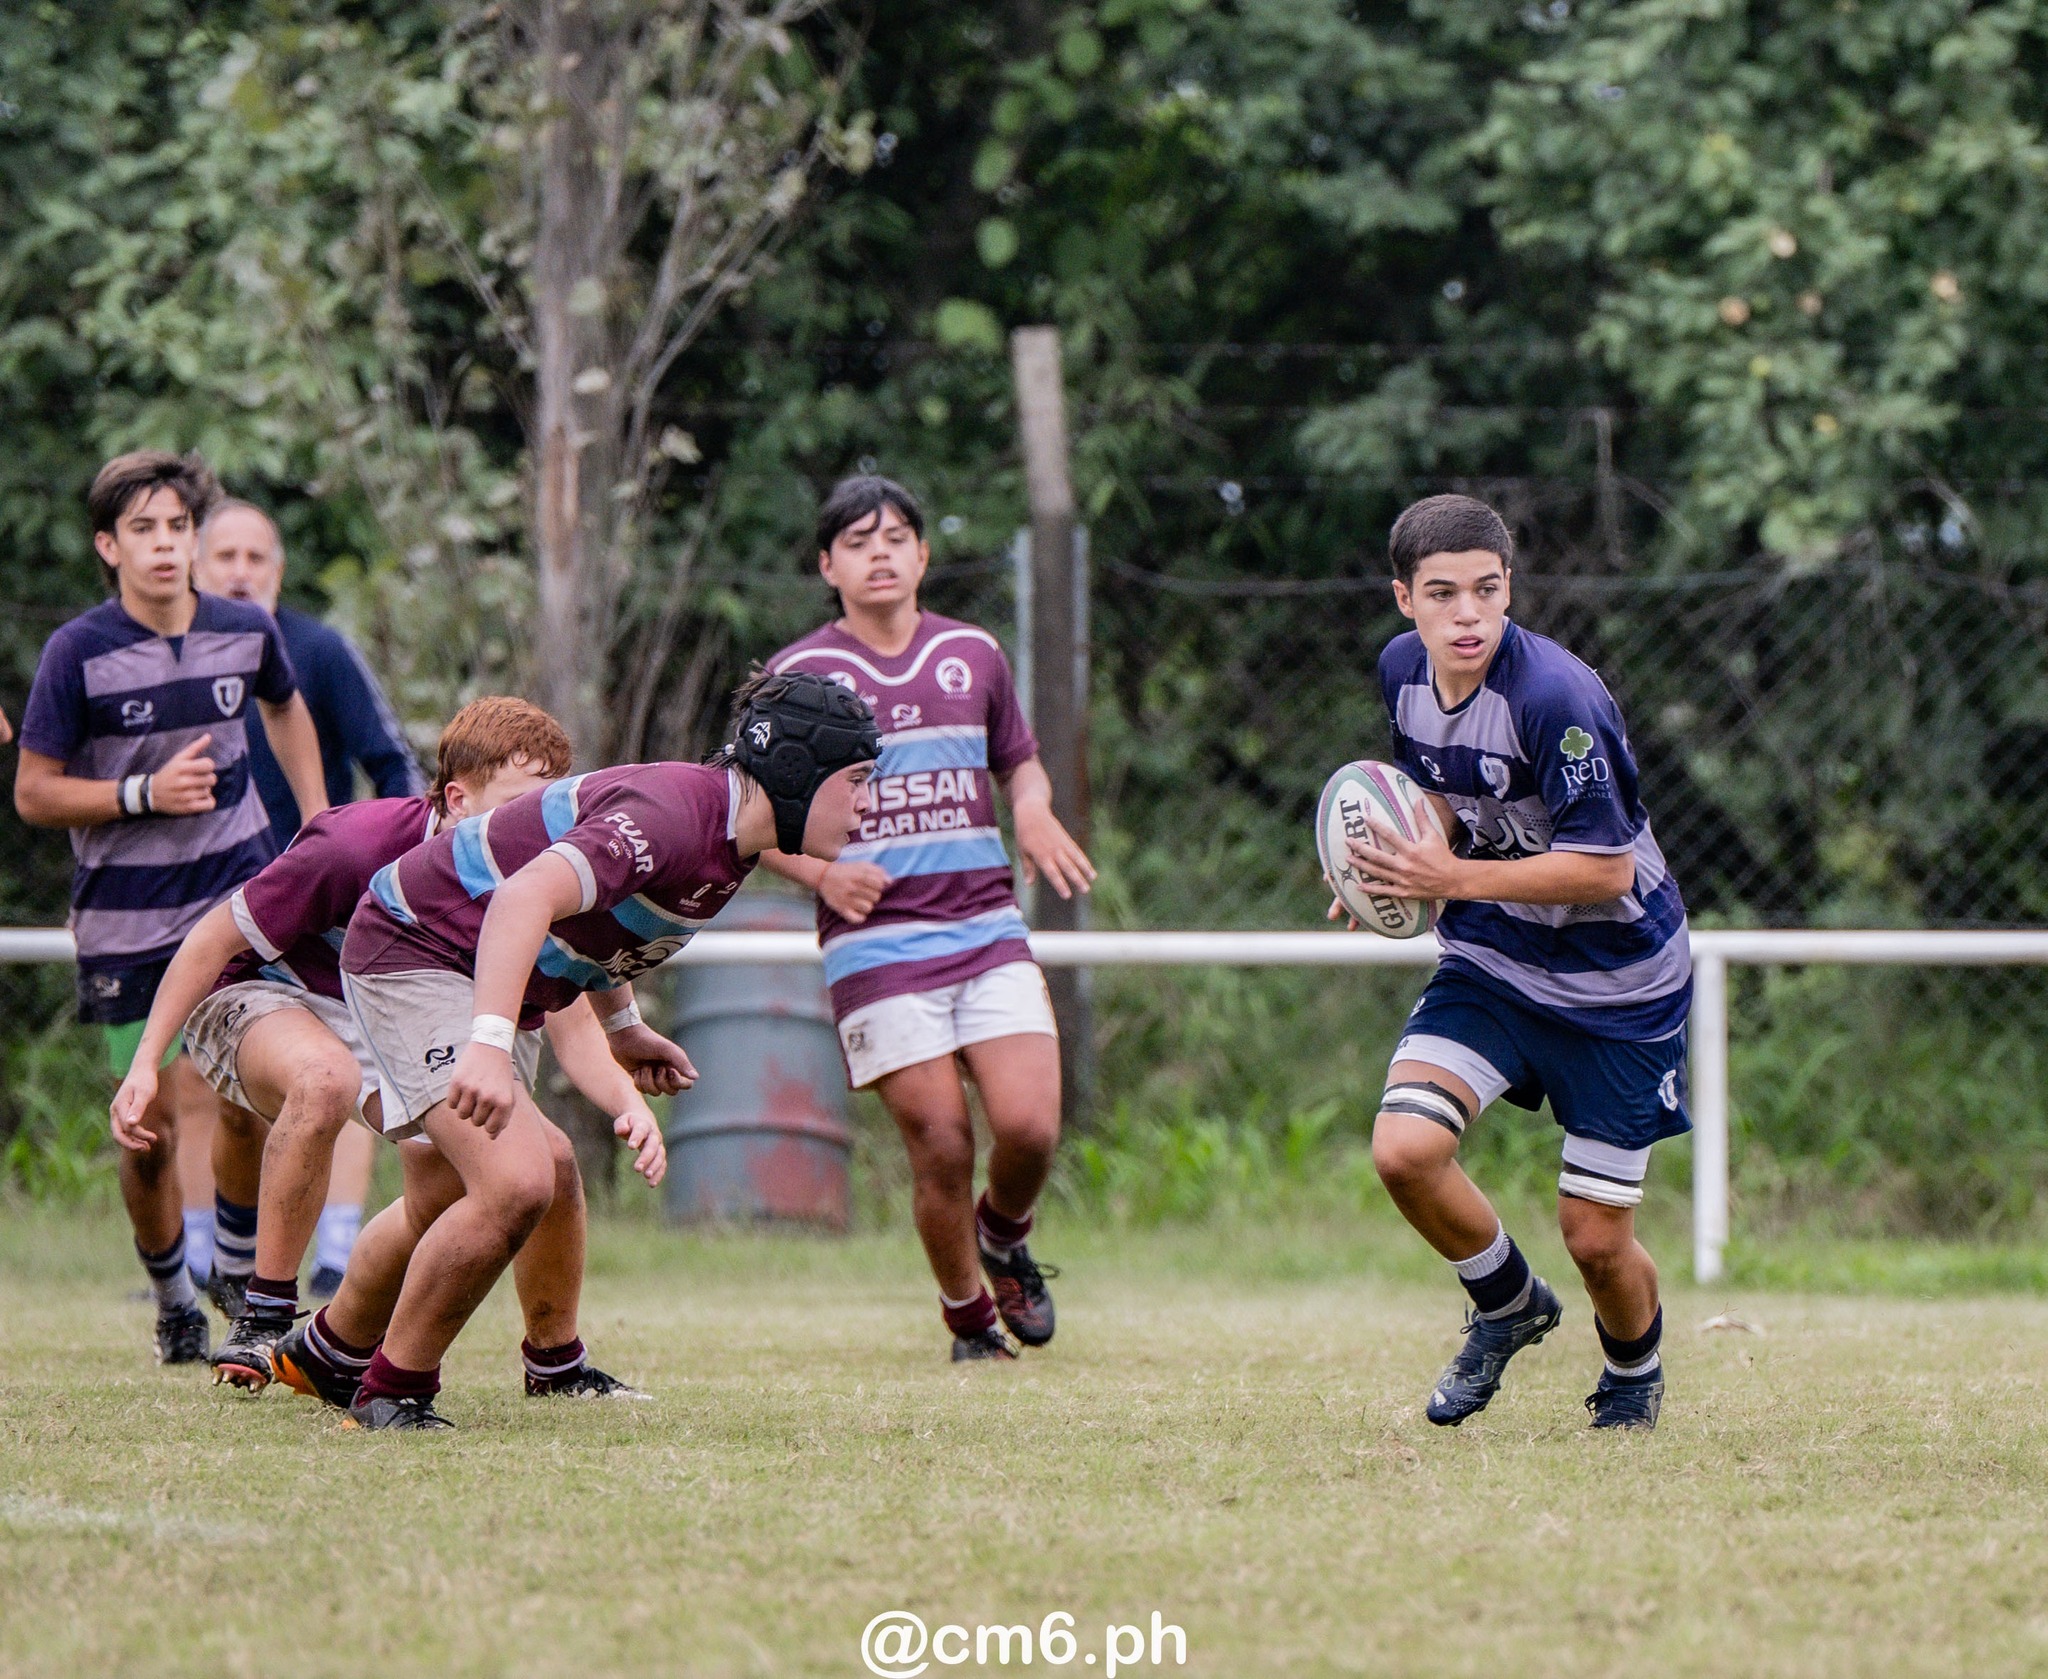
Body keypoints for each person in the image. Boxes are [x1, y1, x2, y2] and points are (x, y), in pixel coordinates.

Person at [327, 669, 878, 1428]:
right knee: (514, 1181)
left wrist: (623, 1028)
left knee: (548, 1167)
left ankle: (393, 1356)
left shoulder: (727, 842)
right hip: (413, 949)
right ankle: (392, 1391)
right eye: (857, 780)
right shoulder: (673, 817)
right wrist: (487, 1042)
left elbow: (597, 920)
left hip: (461, 965)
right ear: (793, 770)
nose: (867, 804)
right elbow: (526, 895)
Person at [110, 697, 662, 1401]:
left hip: (391, 1013)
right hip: (269, 993)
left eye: (551, 805)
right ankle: (263, 1315)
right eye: (520, 804)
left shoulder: (537, 873)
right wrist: (145, 1063)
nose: (539, 824)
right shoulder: (356, 844)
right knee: (324, 1078)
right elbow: (214, 939)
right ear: (457, 800)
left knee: (525, 1165)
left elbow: (575, 1020)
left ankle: (529, 1364)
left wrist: (627, 1103)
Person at [1338, 493, 1690, 1431]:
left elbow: (1606, 868)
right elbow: (1442, 798)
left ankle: (1632, 1377)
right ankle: (1507, 1304)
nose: (1469, 614)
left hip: (1620, 984)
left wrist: (1447, 874)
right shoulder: (1401, 672)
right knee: (1405, 1150)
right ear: (1404, 598)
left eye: (1487, 590)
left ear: (1509, 587)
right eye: (1442, 593)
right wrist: (1389, 866)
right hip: (1495, 957)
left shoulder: (1555, 698)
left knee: (1596, 1238)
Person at [761, 476, 1095, 1362]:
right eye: (858, 540)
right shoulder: (798, 677)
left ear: (923, 554)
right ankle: (969, 1320)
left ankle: (1003, 1235)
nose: (881, 552)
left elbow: (1019, 762)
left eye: (897, 536)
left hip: (985, 924)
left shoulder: (973, 652)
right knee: (942, 1142)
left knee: (1030, 1127)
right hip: (876, 944)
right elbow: (747, 815)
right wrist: (821, 873)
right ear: (827, 565)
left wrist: (1032, 809)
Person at [13, 450, 329, 1364]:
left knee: (247, 1097)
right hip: (127, 921)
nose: (164, 544)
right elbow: (34, 792)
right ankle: (171, 1301)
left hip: (235, 900)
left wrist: (317, 825)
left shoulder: (243, 628)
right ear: (107, 546)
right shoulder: (76, 652)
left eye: (178, 526)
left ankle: (234, 1271)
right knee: (146, 1130)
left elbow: (287, 708)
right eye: (142, 529)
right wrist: (142, 793)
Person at [194, 498, 426, 1296]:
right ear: (196, 566)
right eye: (224, 556)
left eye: (255, 556)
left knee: (345, 1068)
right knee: (205, 1090)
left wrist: (381, 864)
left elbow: (392, 764)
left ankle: (335, 1251)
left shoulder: (318, 650)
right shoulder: (168, 657)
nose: (240, 572)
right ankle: (205, 1257)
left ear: (279, 568)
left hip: (314, 903)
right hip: (202, 899)